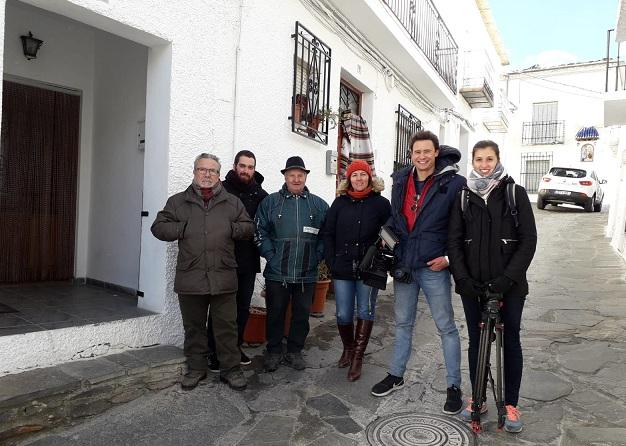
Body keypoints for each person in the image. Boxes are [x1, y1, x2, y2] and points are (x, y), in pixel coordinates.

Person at [370, 130, 466, 417]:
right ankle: (396, 375)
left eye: (427, 151)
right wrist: (386, 241)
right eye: (417, 152)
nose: (422, 156)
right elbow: (397, 218)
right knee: (402, 324)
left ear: (436, 152)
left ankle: (454, 387)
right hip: (404, 265)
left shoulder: (454, 183)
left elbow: (462, 226)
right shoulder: (400, 181)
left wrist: (449, 258)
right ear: (411, 154)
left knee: (446, 327)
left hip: (434, 267)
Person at [447, 140, 537, 433]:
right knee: (477, 341)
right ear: (471, 162)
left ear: (498, 159)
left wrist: (506, 279)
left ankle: (510, 403)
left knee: (510, 340)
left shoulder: (514, 193)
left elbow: (528, 241)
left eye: (489, 159)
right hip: (473, 286)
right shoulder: (463, 196)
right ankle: (479, 397)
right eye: (479, 160)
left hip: (509, 285)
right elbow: (454, 242)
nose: (484, 164)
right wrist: (462, 279)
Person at [151, 153, 254, 391]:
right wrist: (183, 227)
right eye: (202, 169)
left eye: (212, 171)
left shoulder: (232, 203)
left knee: (227, 326)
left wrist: (231, 228)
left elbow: (248, 227)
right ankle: (196, 368)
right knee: (194, 327)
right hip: (191, 276)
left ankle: (231, 369)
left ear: (219, 175)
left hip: (223, 275)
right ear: (195, 172)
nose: (207, 174)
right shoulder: (178, 202)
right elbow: (158, 227)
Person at [255, 156, 329, 372]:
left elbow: (327, 234)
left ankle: (295, 351)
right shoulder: (270, 202)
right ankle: (274, 350)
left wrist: (318, 256)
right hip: (278, 272)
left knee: (302, 314)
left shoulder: (319, 205)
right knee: (275, 312)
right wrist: (270, 254)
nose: (296, 179)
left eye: (300, 175)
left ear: (305, 177)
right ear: (285, 177)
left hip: (307, 273)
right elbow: (259, 230)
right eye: (291, 175)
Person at [322, 160, 390, 381]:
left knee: (365, 311)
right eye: (354, 175)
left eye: (363, 174)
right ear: (348, 179)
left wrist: (382, 248)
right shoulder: (339, 203)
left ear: (369, 177)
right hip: (342, 267)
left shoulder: (381, 204)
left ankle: (358, 358)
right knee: (343, 313)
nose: (359, 179)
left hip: (368, 269)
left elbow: (390, 232)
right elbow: (328, 233)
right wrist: (331, 261)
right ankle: (348, 349)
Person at [207, 150, 268, 372]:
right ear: (235, 166)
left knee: (242, 308)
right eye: (242, 166)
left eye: (250, 167)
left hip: (247, 262)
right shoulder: (219, 189)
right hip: (222, 261)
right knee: (220, 308)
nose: (246, 171)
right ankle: (213, 351)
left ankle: (234, 347)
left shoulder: (261, 195)